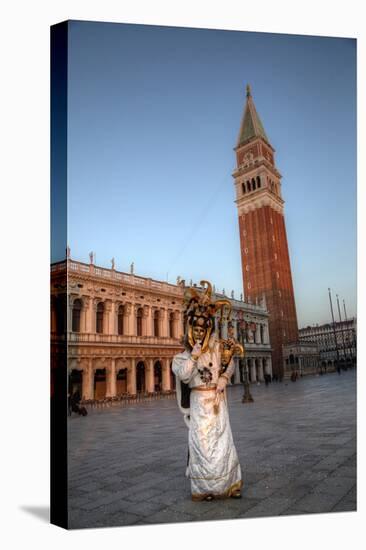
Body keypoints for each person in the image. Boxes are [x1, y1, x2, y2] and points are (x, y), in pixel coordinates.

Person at [173, 280, 243, 502]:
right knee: (202, 445)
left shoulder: (217, 348)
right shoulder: (182, 355)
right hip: (198, 403)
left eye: (204, 329)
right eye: (196, 329)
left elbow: (229, 362)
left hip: (216, 400)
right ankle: (205, 489)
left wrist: (223, 377)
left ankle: (229, 485)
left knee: (222, 442)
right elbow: (183, 374)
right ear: (191, 329)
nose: (200, 332)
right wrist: (193, 355)